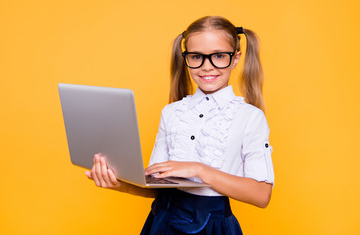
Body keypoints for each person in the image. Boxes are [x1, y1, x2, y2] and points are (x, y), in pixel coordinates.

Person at [85, 16, 275, 235]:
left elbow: (262, 196)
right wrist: (119, 183)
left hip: (212, 226)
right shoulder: (172, 113)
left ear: (235, 58)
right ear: (185, 57)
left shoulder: (250, 117)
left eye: (219, 56)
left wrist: (198, 169)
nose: (206, 66)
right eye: (196, 57)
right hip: (162, 222)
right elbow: (157, 187)